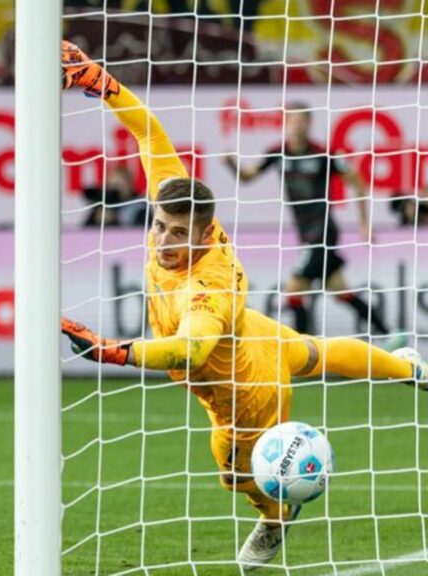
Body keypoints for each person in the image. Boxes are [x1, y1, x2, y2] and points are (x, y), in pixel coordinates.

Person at [59, 40, 426, 569]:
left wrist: (117, 353)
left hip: (241, 389)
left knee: (234, 474)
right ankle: (407, 365)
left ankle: (276, 519)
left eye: (179, 235)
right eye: (160, 227)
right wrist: (103, 84)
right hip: (253, 332)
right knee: (312, 350)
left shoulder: (203, 291)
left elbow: (188, 348)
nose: (164, 242)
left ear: (206, 233)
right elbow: (149, 132)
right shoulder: (174, 198)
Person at [225, 103, 401, 347]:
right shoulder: (278, 153)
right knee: (340, 290)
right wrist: (231, 164)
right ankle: (390, 333)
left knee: (293, 291)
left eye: (302, 122)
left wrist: (363, 223)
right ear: (287, 125)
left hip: (322, 232)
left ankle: (302, 351)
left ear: (309, 125)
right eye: (293, 121)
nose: (297, 126)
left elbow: (357, 180)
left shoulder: (322, 153)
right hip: (305, 233)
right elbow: (247, 177)